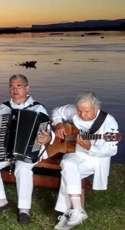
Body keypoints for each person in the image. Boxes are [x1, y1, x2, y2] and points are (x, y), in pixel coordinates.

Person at [0, 74, 51, 224]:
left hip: (29, 150)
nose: (15, 89)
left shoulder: (38, 108)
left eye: (19, 86)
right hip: (4, 148)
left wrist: (48, 138)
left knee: (22, 169)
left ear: (27, 88)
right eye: (12, 87)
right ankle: (1, 202)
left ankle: (24, 210)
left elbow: (48, 132)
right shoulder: (3, 107)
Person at [52, 91, 119, 230]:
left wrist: (90, 147)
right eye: (79, 111)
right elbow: (56, 111)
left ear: (96, 108)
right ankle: (77, 211)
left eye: (87, 112)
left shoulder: (109, 121)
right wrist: (58, 124)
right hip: (75, 152)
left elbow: (111, 150)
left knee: (68, 172)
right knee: (68, 164)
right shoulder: (75, 110)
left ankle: (67, 213)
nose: (82, 115)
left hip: (95, 158)